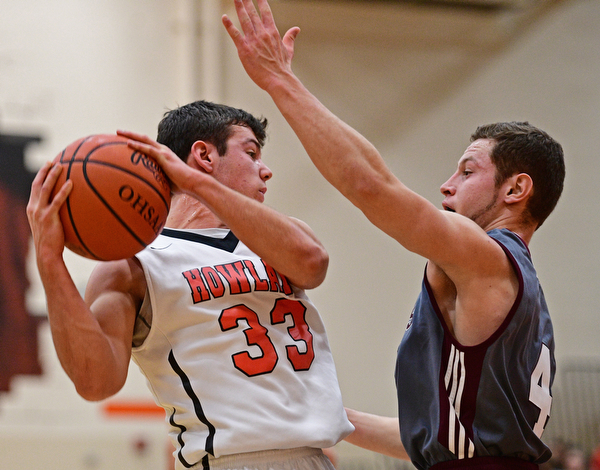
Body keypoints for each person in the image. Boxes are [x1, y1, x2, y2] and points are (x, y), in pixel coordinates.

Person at [222, 1, 566, 469]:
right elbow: (426, 438)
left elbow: (371, 186)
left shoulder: (487, 259)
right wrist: (319, 413)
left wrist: (279, 80)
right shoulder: (519, 292)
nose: (447, 185)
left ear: (515, 189)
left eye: (467, 170)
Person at [26, 100, 354, 470]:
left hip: (315, 458)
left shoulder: (279, 238)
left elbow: (313, 264)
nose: (267, 171)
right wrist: (49, 261)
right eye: (251, 153)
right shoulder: (134, 267)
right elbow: (95, 382)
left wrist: (192, 181)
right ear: (204, 155)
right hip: (227, 460)